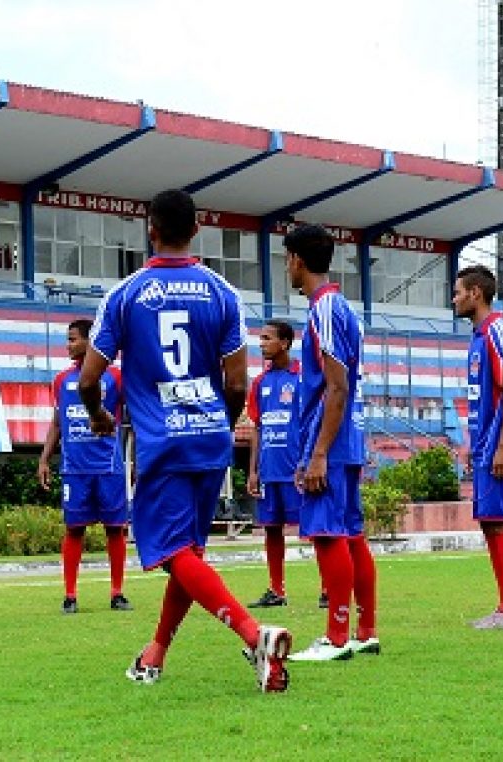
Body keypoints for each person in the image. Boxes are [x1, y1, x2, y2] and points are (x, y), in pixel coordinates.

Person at [79, 188, 292, 693]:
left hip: (162, 442)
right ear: (196, 231)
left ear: (150, 228)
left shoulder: (125, 294)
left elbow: (89, 380)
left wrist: (101, 416)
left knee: (175, 551)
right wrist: (221, 421)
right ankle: (155, 655)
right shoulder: (223, 293)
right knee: (188, 551)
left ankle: (253, 634)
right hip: (211, 439)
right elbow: (238, 383)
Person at [282, 224, 379, 662]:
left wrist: (317, 452)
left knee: (327, 534)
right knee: (352, 534)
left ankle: (336, 638)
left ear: (297, 260)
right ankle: (365, 630)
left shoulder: (324, 310)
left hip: (332, 441)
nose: (287, 266)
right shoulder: (342, 309)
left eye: (286, 258)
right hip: (346, 438)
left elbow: (336, 387)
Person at [452, 265, 503, 629]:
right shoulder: (477, 337)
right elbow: (484, 397)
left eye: (457, 292)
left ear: (475, 293)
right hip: (485, 446)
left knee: (501, 523)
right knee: (489, 524)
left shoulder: (497, 331)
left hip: (501, 446)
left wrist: (502, 446)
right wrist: (475, 443)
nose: (453, 299)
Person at [38, 319, 132, 615]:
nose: (68, 345)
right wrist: (43, 459)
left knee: (115, 529)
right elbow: (57, 423)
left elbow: (135, 416)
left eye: (72, 339)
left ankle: (117, 593)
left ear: (90, 341)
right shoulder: (60, 380)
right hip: (74, 468)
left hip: (108, 466)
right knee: (74, 528)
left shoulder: (115, 377)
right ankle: (70, 595)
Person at [246, 320, 303, 608]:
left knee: (315, 528)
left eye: (267, 338)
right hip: (269, 469)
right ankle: (276, 589)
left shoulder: (303, 377)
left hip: (296, 469)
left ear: (285, 343)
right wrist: (253, 470)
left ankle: (329, 589)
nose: (261, 343)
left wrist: (308, 461)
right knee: (271, 528)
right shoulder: (259, 382)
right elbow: (257, 427)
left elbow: (311, 422)